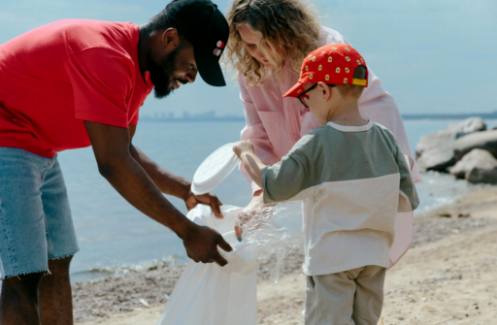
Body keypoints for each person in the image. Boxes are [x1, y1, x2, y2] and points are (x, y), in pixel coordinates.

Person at [0, 0, 232, 324]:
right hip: (7, 138)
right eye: (192, 66)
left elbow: (126, 152)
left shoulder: (136, 72)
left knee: (58, 260)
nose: (191, 78)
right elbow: (112, 163)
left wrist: (187, 191)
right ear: (169, 39)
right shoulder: (104, 56)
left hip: (38, 145)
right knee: (23, 274)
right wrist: (186, 230)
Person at [233, 43, 419, 325]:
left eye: (305, 97)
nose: (304, 104)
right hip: (374, 256)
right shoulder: (385, 138)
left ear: (324, 90)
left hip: (332, 259)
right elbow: (407, 198)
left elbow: (275, 183)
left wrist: (247, 153)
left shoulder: (316, 143)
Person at [226, 0, 417, 214]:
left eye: (269, 42)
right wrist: (260, 194)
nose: (262, 54)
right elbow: (257, 134)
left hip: (357, 169)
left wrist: (249, 158)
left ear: (287, 29)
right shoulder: (251, 73)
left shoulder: (327, 52)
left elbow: (320, 136)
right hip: (313, 182)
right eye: (251, 46)